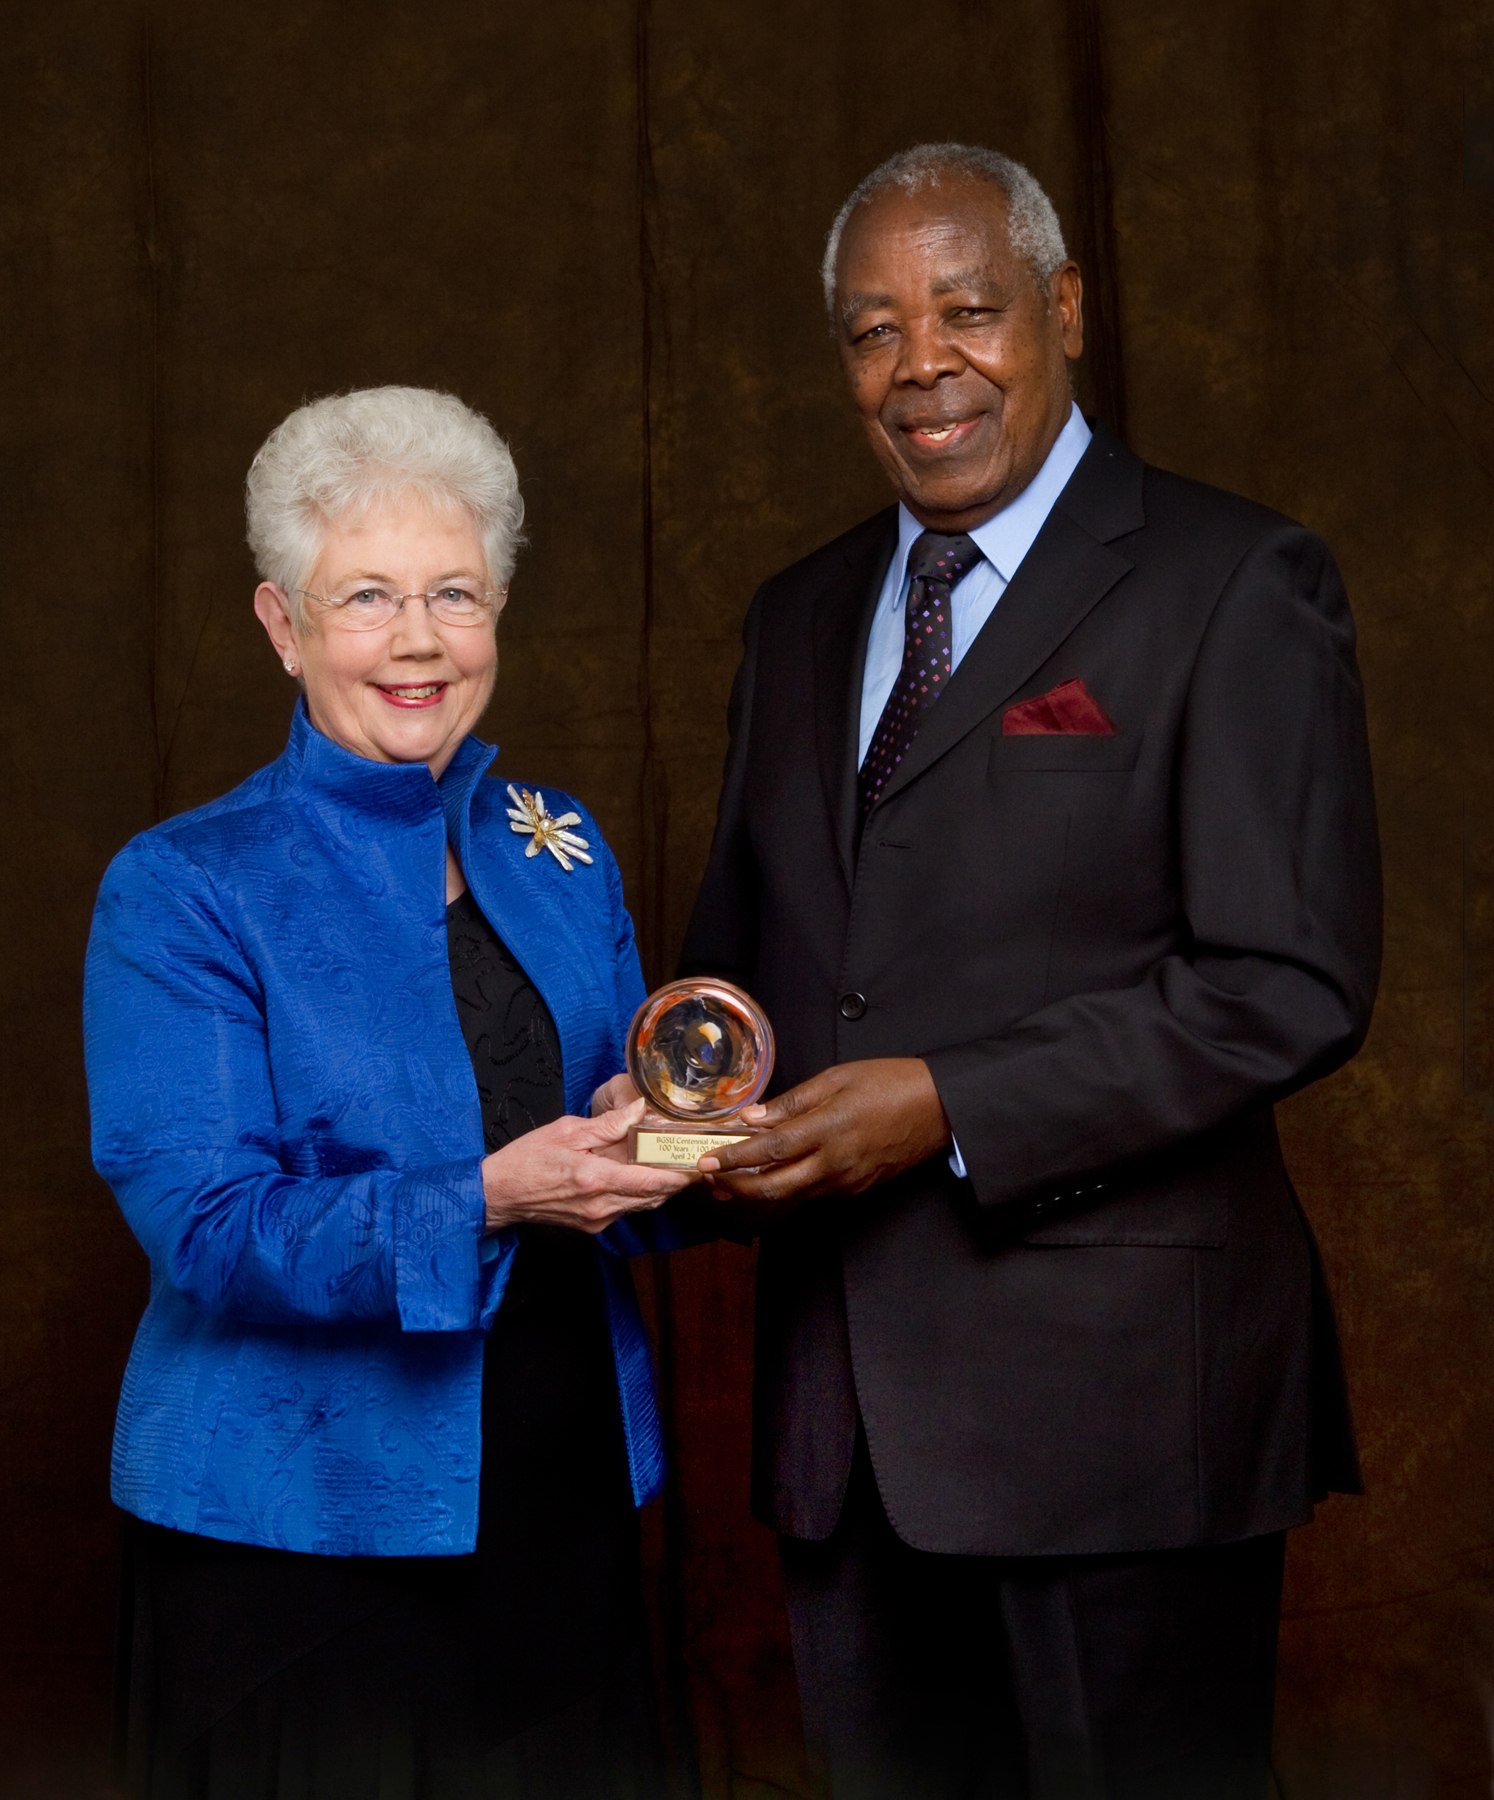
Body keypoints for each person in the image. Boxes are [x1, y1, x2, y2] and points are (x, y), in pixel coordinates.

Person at [679, 144, 1381, 1799]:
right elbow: (745, 961)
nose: (920, 366)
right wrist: (684, 1095)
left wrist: (947, 1106)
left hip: (1119, 1421)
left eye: (967, 312)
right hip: (842, 1431)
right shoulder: (794, 619)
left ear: (1061, 311)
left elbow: (1285, 980)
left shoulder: (1233, 583)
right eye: (870, 330)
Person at [84, 385, 696, 1798]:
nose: (417, 640)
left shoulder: (561, 849)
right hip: (301, 1532)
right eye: (365, 596)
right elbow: (211, 1229)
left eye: (453, 593)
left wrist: (701, 1151)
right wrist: (487, 1197)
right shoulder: (182, 885)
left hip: (563, 1493)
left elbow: (606, 1142)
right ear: (282, 624)